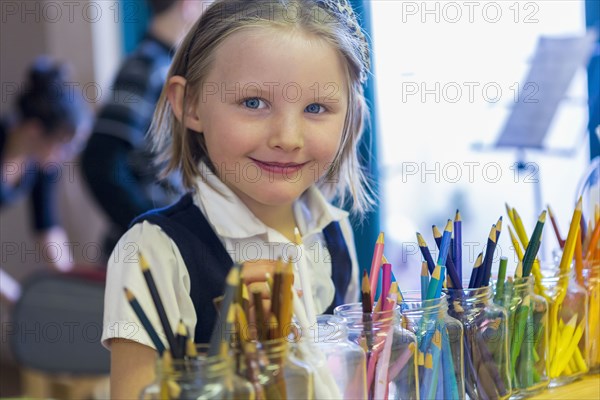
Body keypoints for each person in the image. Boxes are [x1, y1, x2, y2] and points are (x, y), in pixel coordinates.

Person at [101, 0, 373, 397]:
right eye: (253, 103)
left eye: (316, 107)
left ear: (349, 115)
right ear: (189, 104)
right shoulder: (151, 252)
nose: (288, 138)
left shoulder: (334, 231)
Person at [81, 0, 209, 260]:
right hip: (145, 255)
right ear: (187, 5)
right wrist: (153, 228)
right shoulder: (147, 67)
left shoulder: (165, 66)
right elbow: (101, 162)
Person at [0, 56, 89, 272]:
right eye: (61, 144)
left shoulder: (42, 160)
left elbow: (47, 227)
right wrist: (14, 296)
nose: (64, 156)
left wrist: (68, 282)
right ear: (34, 131)